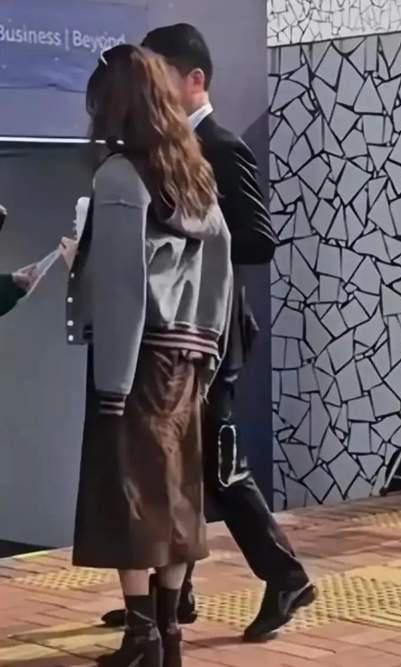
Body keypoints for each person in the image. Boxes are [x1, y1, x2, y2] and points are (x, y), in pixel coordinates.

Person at [102, 23, 314, 643]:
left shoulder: (219, 146)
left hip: (213, 332)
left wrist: (189, 238)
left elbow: (258, 239)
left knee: (216, 464)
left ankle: (286, 575)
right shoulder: (159, 150)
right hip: (182, 330)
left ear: (194, 80)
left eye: (160, 74)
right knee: (180, 462)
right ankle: (174, 598)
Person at [70, 44, 232, 667]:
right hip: (187, 356)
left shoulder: (119, 175)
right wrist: (208, 346)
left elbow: (122, 284)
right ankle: (170, 635)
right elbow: (220, 261)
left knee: (128, 492)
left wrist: (111, 381)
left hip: (135, 356)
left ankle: (141, 638)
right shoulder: (191, 171)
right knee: (177, 492)